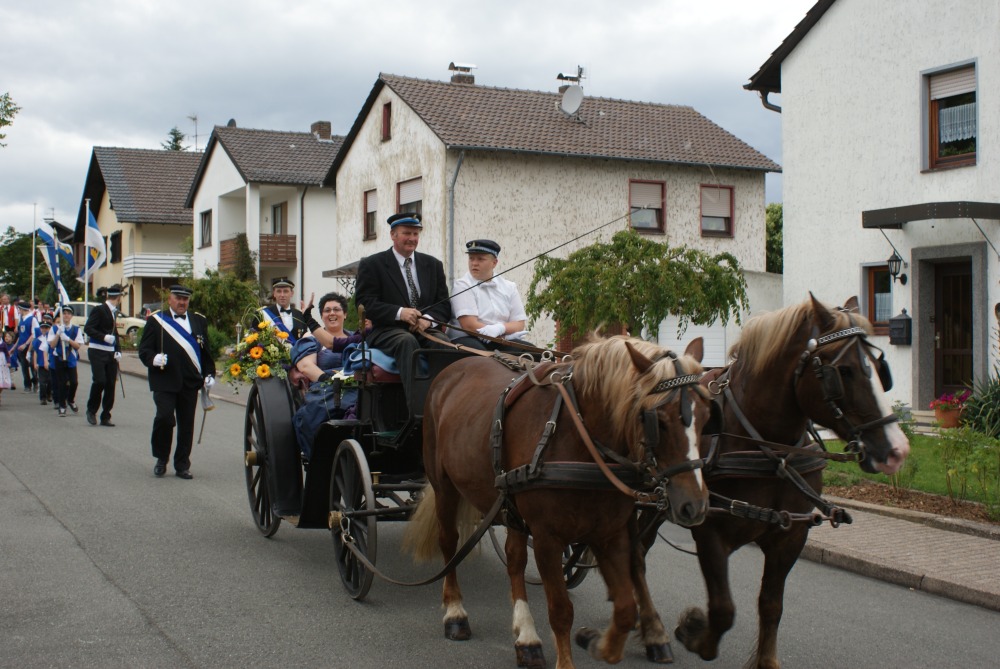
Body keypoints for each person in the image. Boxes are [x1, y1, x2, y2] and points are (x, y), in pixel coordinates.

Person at [354, 213, 452, 394]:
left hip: (424, 329)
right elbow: (364, 303)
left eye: (416, 234)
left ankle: (445, 400)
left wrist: (428, 320)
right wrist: (400, 313)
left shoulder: (433, 265)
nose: (412, 238)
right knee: (406, 341)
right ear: (393, 235)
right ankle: (419, 406)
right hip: (386, 330)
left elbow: (444, 304)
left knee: (444, 343)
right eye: (407, 233)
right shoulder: (372, 264)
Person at [138, 284, 217, 479]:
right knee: (164, 418)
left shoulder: (198, 321)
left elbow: (205, 351)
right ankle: (161, 458)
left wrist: (210, 374)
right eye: (178, 298)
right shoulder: (156, 320)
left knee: (186, 424)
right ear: (170, 299)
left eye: (185, 299)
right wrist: (153, 359)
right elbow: (144, 350)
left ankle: (182, 464)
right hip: (164, 380)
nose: (182, 302)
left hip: (190, 381)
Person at [290, 292, 367, 459]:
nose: (332, 313)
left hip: (357, 384)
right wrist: (329, 379)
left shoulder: (355, 338)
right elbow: (306, 366)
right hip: (325, 386)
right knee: (322, 408)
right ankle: (323, 454)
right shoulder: (311, 338)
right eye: (327, 310)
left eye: (336, 309)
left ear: (345, 314)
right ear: (322, 316)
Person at [448, 239, 534, 352]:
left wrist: (500, 328)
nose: (474, 263)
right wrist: (502, 336)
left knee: (535, 353)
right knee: (483, 357)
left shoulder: (509, 287)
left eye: (480, 259)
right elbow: (469, 325)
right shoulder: (463, 285)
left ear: (494, 263)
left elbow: (519, 323)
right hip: (467, 338)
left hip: (499, 340)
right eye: (471, 258)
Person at [84, 284, 123, 426]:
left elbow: (115, 333)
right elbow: (88, 328)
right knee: (100, 381)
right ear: (118, 298)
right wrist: (103, 337)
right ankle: (91, 410)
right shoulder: (99, 309)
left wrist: (118, 350)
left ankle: (106, 415)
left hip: (110, 353)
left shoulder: (114, 312)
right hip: (97, 350)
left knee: (110, 384)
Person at [48, 305, 84, 417]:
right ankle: (62, 406)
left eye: (68, 313)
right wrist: (58, 334)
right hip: (59, 357)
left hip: (71, 358)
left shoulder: (76, 329)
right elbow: (52, 345)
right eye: (64, 313)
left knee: (74, 382)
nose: (66, 315)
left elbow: (78, 346)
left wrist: (67, 339)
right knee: (61, 383)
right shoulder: (55, 328)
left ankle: (70, 400)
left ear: (71, 316)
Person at [258, 277, 310, 344]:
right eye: (279, 291)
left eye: (285, 291)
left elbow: (305, 340)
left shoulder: (300, 315)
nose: (282, 295)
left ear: (292, 293)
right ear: (274, 293)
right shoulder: (264, 314)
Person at [14, 301, 37, 392]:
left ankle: (35, 382)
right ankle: (27, 385)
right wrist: (15, 347)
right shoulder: (22, 319)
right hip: (21, 346)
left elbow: (34, 334)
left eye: (19, 309)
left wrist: (26, 344)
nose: (18, 311)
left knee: (32, 365)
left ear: (22, 309)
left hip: (30, 346)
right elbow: (20, 335)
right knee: (24, 366)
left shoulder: (32, 319)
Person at [33, 316, 54, 405]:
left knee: (50, 381)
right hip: (41, 363)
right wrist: (35, 363)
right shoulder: (38, 340)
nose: (44, 329)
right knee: (42, 382)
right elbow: (35, 352)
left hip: (51, 362)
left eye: (46, 328)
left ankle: (49, 394)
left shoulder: (52, 339)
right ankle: (43, 398)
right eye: (43, 328)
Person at [0, 331, 12, 404]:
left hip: (2, 362)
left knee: (2, 381)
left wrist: (8, 361)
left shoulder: (3, 344)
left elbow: (7, 354)